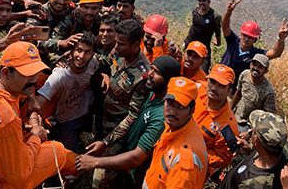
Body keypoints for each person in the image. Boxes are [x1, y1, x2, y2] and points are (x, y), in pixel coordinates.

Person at [75, 55, 182, 187]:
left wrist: (95, 162)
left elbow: (137, 157)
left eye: (157, 72)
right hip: (125, 162)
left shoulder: (161, 116)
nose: (150, 74)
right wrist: (105, 143)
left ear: (169, 80)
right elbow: (131, 118)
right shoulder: (152, 94)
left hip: (135, 174)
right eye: (151, 69)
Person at [0, 42, 77, 189]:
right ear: (6, 73)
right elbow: (19, 174)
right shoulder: (4, 117)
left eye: (36, 71)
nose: (34, 79)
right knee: (56, 151)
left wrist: (31, 100)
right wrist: (36, 136)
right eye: (28, 74)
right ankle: (83, 168)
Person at [85, 19, 151, 188]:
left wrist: (107, 142)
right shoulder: (119, 50)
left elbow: (132, 116)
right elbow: (105, 62)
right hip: (101, 118)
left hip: (117, 132)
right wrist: (102, 74)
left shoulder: (142, 76)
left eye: (121, 44)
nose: (117, 47)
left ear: (136, 44)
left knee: (101, 179)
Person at [34, 32, 100, 153]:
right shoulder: (59, 76)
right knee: (63, 153)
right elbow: (38, 104)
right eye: (78, 50)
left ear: (93, 53)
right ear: (71, 51)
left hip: (82, 114)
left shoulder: (93, 63)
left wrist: (104, 74)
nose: (81, 56)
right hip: (63, 120)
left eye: (87, 52)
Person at [142, 76, 208, 189]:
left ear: (192, 110)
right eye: (170, 103)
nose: (172, 111)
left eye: (180, 106)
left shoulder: (185, 162)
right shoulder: (176, 125)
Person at [220, 0, 288, 87]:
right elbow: (225, 26)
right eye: (244, 35)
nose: (246, 39)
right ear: (240, 34)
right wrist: (228, 12)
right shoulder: (233, 41)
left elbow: (275, 53)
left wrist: (280, 39)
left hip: (234, 91)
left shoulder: (256, 54)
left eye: (250, 37)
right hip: (219, 80)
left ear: (255, 40)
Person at [217, 110, 288, 189]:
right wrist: (249, 150)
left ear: (256, 139)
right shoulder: (285, 150)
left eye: (253, 130)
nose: (250, 131)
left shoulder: (251, 184)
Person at [193, 64, 239, 180]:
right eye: (212, 82)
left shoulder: (229, 127)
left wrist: (194, 152)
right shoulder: (196, 89)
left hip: (193, 169)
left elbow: (223, 158)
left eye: (221, 86)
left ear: (229, 91)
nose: (214, 88)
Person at [27, 0, 75, 65]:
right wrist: (60, 43)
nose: (61, 2)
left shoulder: (71, 11)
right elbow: (32, 38)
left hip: (64, 54)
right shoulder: (38, 13)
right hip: (38, 56)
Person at [230, 54, 277, 132]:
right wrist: (229, 110)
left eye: (260, 67)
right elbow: (238, 93)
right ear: (250, 64)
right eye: (254, 64)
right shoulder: (244, 74)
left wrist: (250, 132)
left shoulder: (268, 91)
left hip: (249, 124)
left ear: (266, 71)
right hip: (237, 114)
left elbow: (268, 118)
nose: (255, 68)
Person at [183, 0, 222, 72]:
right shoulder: (195, 11)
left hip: (204, 46)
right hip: (191, 43)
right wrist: (186, 42)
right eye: (199, 1)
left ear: (209, 2)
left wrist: (218, 42)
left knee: (203, 70)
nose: (201, 3)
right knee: (186, 67)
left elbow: (218, 31)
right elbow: (193, 27)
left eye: (204, 1)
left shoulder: (214, 16)